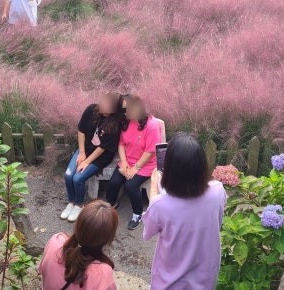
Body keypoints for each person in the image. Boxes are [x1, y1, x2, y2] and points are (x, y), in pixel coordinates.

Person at [142, 133, 227, 289]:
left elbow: (148, 233)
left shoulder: (160, 205)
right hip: (205, 276)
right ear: (202, 165)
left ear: (169, 168)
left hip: (170, 281)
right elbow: (217, 219)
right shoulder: (218, 191)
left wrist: (154, 190)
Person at [62, 93, 124, 222]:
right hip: (84, 150)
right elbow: (81, 130)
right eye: (104, 101)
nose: (103, 105)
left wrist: (87, 162)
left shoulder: (115, 123)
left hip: (100, 156)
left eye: (108, 105)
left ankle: (79, 204)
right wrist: (82, 153)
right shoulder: (91, 109)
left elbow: (103, 147)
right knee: (68, 175)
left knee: (78, 178)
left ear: (115, 109)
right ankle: (71, 202)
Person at [105, 95, 161, 230]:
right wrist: (124, 163)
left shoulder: (152, 125)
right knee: (114, 182)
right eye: (123, 109)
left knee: (130, 185)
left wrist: (136, 168)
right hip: (128, 160)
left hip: (146, 164)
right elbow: (121, 144)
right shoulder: (126, 122)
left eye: (128, 109)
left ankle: (138, 213)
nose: (125, 112)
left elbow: (150, 151)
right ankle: (111, 204)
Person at [39, 200, 118, 290]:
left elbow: (42, 271)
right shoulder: (103, 273)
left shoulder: (55, 241)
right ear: (108, 238)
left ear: (78, 224)